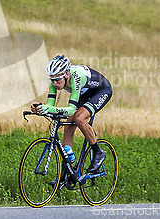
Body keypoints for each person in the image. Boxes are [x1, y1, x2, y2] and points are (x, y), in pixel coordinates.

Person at [31, 55, 112, 188]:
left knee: (79, 118)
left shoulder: (76, 77)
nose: (55, 83)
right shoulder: (55, 81)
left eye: (57, 80)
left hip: (101, 90)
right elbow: (51, 105)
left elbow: (71, 109)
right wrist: (40, 108)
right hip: (84, 93)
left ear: (67, 74)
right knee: (68, 126)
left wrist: (49, 109)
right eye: (52, 80)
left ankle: (98, 152)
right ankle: (66, 172)